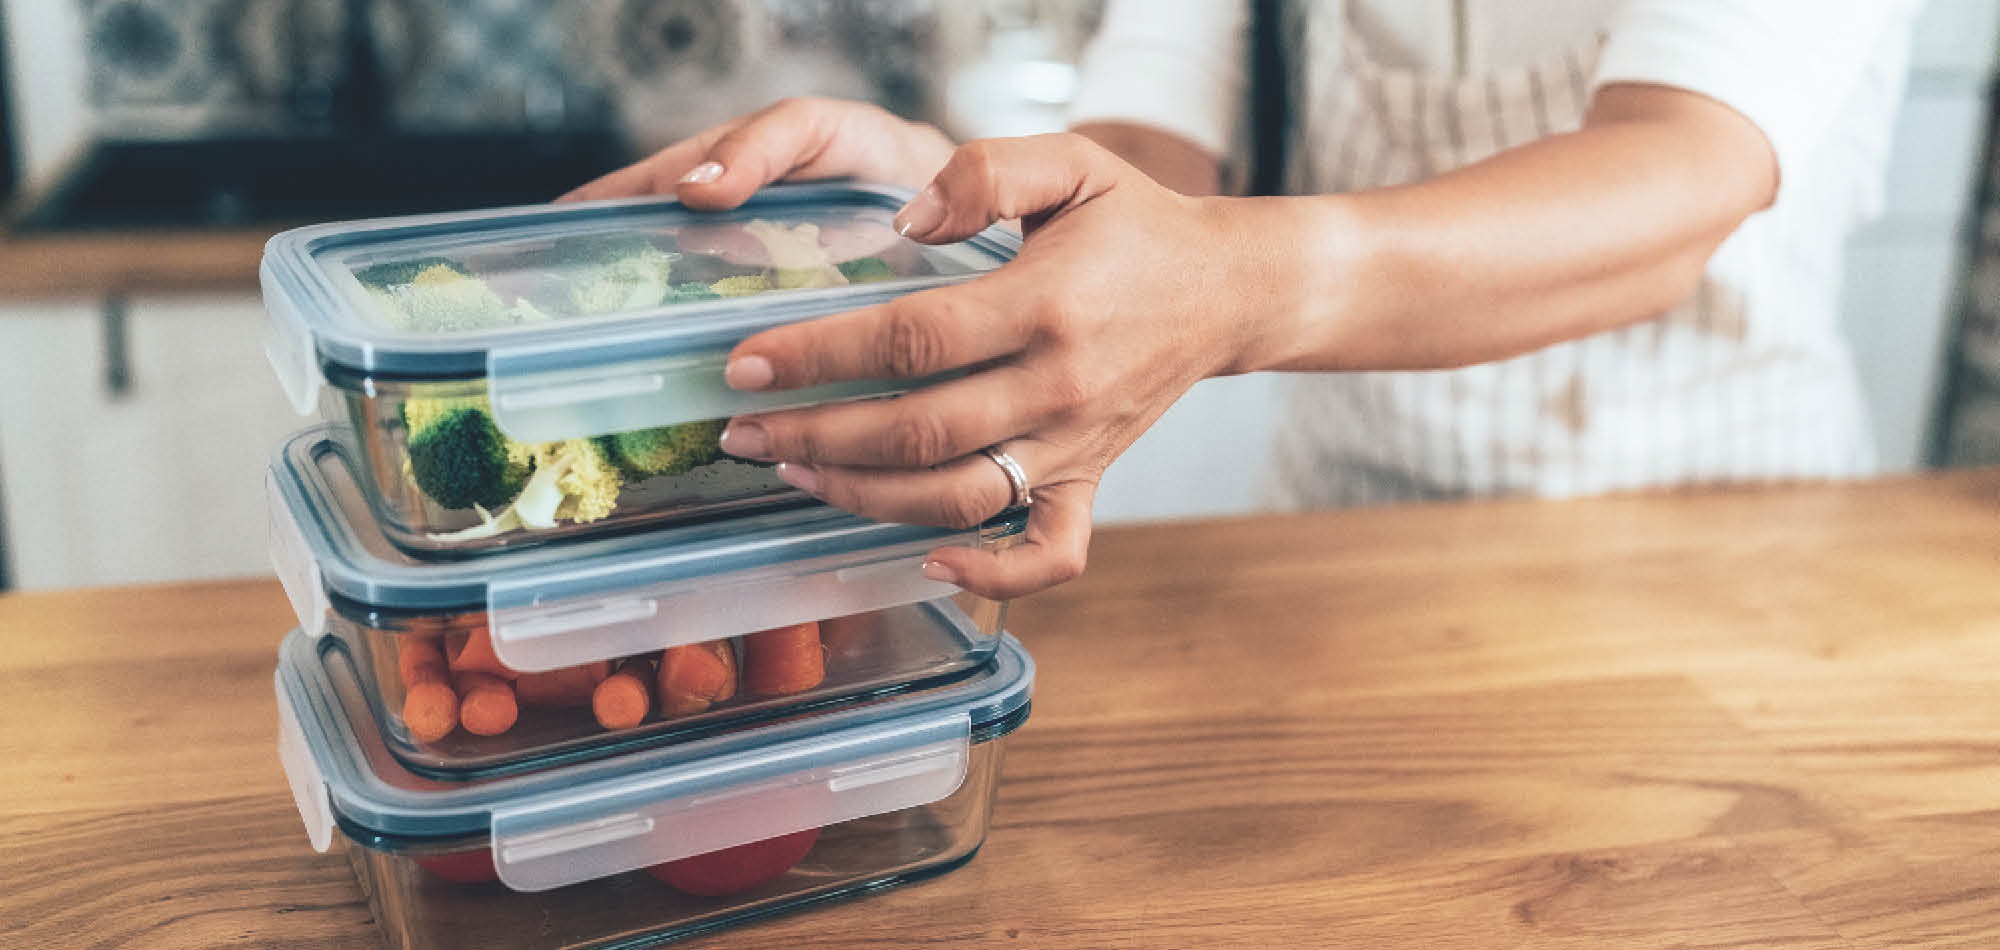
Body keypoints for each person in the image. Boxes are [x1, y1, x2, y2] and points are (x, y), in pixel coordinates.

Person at [564, 0, 1924, 601]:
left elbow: (1680, 179)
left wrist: (1233, 285)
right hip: (1339, 565)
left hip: (1745, 558)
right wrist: (935, 194)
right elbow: (1134, 176)